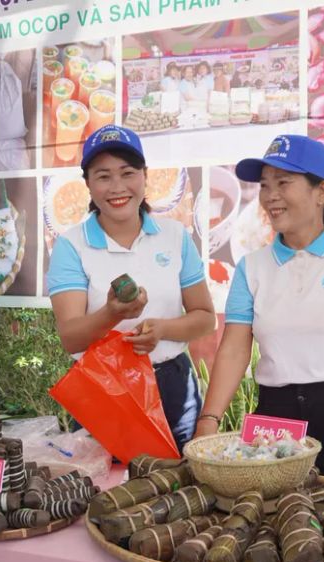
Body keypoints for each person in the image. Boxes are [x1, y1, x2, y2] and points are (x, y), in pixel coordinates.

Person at [194, 135, 324, 483]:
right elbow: (232, 350)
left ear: (321, 191)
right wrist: (208, 421)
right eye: (264, 185)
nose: (270, 195)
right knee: (272, 522)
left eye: (283, 183)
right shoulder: (251, 267)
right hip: (275, 418)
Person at [46, 125, 216, 452]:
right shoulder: (71, 245)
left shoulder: (175, 236)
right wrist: (111, 313)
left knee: (180, 489)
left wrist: (161, 329)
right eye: (103, 176)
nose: (117, 187)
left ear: (144, 176)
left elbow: (205, 318)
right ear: (88, 184)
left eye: (128, 173)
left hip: (172, 386)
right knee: (107, 489)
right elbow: (71, 336)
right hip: (104, 387)